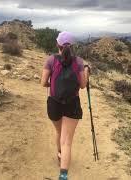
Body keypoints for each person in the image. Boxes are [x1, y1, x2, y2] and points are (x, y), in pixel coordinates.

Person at [41, 31, 90, 180]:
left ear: (58, 45)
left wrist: (54, 84)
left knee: (59, 132)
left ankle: (59, 155)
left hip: (54, 103)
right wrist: (87, 71)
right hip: (72, 104)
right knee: (67, 141)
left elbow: (43, 83)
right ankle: (63, 176)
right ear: (72, 46)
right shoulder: (79, 62)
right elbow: (82, 85)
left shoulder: (50, 60)